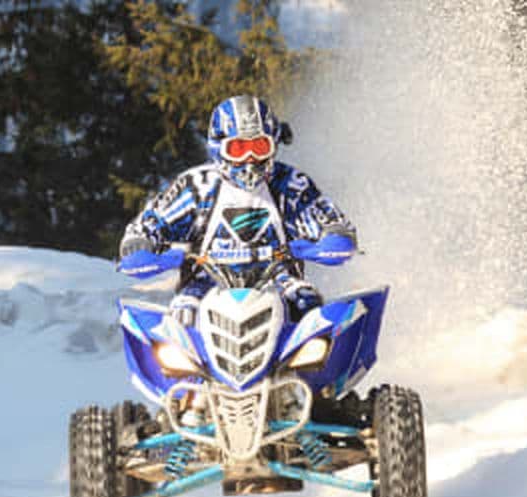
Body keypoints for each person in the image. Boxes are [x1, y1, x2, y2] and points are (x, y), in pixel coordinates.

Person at [120, 94, 356, 325]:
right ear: (218, 148)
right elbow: (152, 222)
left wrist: (334, 237)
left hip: (279, 281)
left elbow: (325, 216)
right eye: (239, 149)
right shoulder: (197, 186)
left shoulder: (289, 184)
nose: (250, 160)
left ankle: (317, 364)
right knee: (182, 318)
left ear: (273, 145)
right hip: (205, 283)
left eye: (259, 147)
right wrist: (139, 244)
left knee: (309, 307)